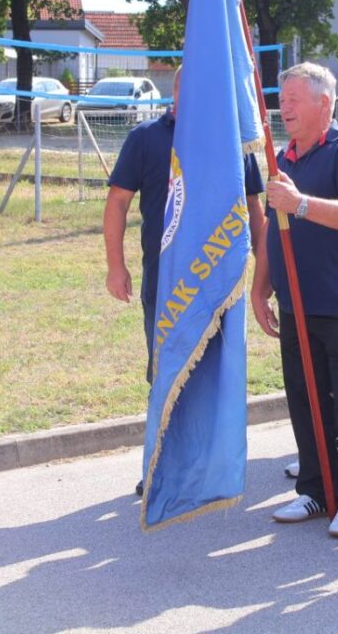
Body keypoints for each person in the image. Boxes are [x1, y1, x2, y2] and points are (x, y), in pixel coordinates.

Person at [104, 69, 266, 494]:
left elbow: (254, 208)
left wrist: (266, 271)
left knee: (216, 371)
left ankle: (210, 466)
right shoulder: (145, 139)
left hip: (221, 281)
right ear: (175, 91)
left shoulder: (234, 143)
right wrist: (115, 266)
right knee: (166, 371)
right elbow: (118, 202)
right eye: (186, 87)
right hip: (166, 285)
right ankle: (162, 465)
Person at [252, 62, 338, 539]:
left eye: (293, 99)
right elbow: (271, 226)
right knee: (306, 399)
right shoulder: (284, 157)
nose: (283, 107)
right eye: (281, 99)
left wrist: (301, 203)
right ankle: (314, 488)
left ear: (324, 105)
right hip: (297, 304)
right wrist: (260, 285)